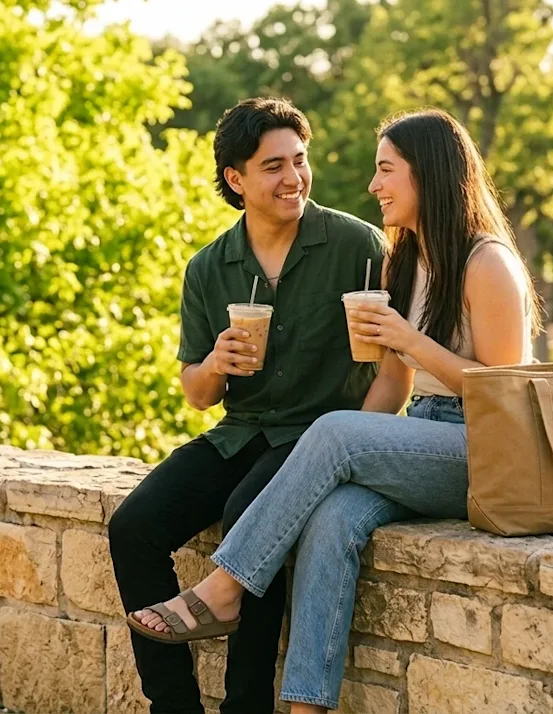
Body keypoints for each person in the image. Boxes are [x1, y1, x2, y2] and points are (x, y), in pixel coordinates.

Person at [126, 108, 542, 713]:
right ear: (235, 179)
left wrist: (407, 339)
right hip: (422, 435)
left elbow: (507, 398)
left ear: (427, 175)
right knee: (329, 522)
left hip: (489, 449)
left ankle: (223, 589)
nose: (373, 185)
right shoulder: (408, 260)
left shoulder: (488, 263)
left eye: (385, 171)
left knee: (335, 433)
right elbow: (397, 380)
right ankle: (305, 707)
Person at [108, 96, 387, 714]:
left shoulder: (359, 246)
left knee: (245, 516)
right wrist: (214, 364)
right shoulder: (208, 268)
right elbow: (198, 394)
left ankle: (247, 705)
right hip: (241, 432)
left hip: (315, 438)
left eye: (299, 160)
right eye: (273, 166)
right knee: (133, 527)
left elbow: (393, 363)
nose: (294, 178)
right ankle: (174, 705)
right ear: (235, 179)